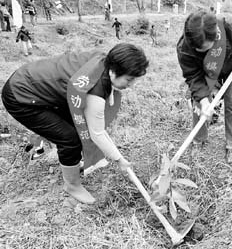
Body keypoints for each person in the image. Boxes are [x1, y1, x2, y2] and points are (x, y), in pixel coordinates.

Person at [1, 43, 149, 204]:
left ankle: (71, 162)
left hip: (34, 81)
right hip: (22, 96)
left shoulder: (104, 61)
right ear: (113, 71)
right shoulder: (96, 91)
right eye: (129, 79)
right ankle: (72, 185)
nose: (131, 85)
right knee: (69, 138)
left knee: (75, 127)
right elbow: (97, 133)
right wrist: (119, 160)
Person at [176, 10, 232, 163]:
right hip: (206, 70)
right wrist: (204, 100)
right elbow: (193, 76)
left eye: (205, 48)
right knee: (198, 104)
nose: (200, 51)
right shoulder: (184, 48)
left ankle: (231, 144)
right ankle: (199, 140)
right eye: (197, 49)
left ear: (215, 35)